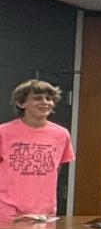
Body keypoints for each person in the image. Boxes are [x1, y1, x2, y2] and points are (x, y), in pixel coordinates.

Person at [0, 79, 75, 221]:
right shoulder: (3, 132)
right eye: (37, 98)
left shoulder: (62, 134)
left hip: (44, 213)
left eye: (49, 98)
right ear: (21, 103)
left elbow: (56, 169)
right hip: (6, 212)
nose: (45, 102)